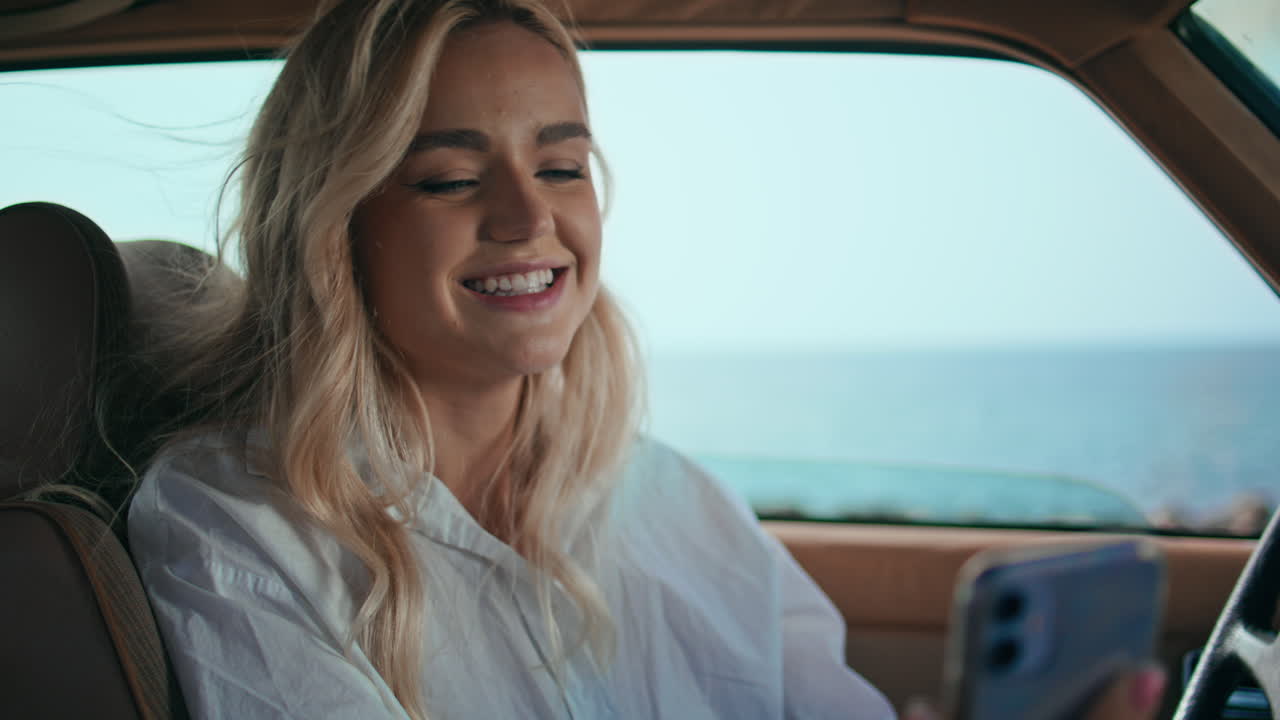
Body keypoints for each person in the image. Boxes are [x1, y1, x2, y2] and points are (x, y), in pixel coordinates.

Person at [126, 1, 1166, 718]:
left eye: (562, 165)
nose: (529, 215)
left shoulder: (665, 497)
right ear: (336, 223)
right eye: (448, 178)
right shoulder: (235, 525)